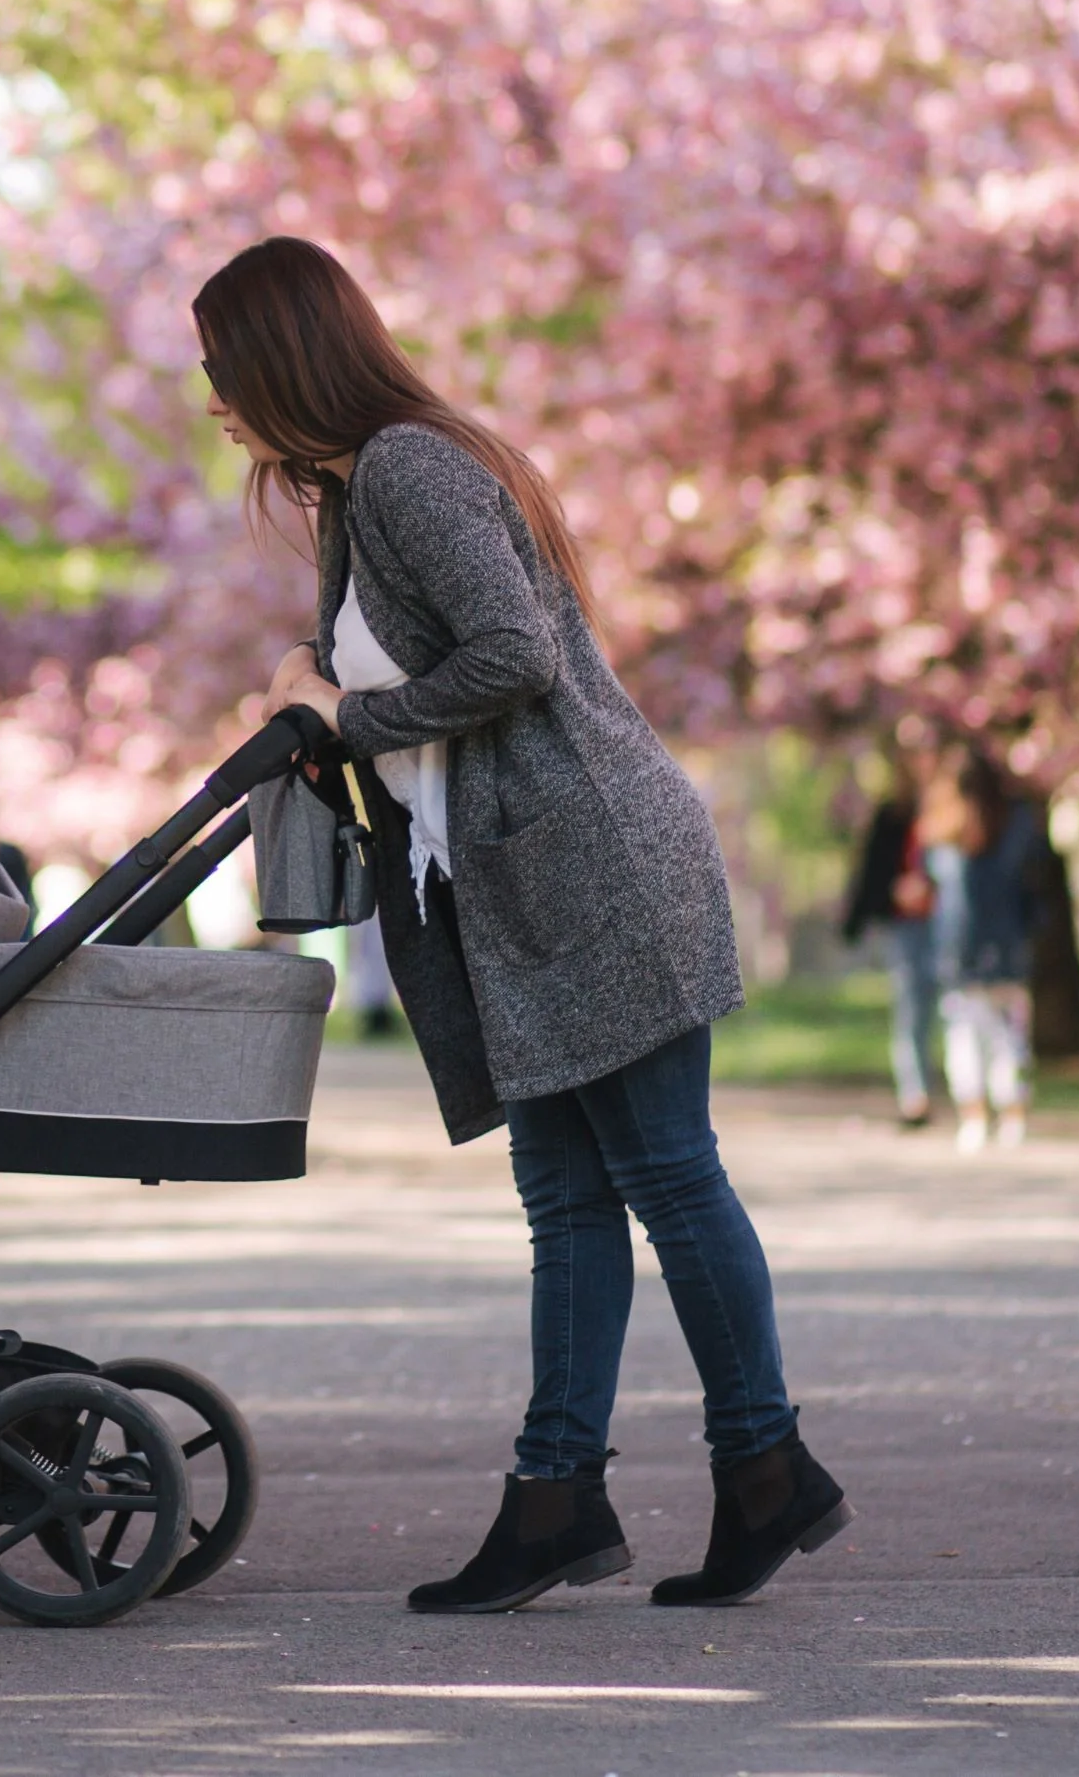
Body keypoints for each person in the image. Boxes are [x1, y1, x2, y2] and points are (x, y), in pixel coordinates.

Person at [194, 237, 849, 1615]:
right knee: (567, 1198)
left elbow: (515, 655)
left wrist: (342, 713)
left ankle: (765, 1463)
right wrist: (319, 698)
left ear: (279, 358)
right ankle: (561, 1497)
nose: (212, 399)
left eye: (220, 366)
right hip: (526, 893)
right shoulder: (359, 495)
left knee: (668, 1173)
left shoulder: (406, 468)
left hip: (596, 867)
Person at [919, 755, 1043, 1152]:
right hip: (1009, 949)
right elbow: (1034, 887)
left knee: (965, 1039)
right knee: (1009, 1038)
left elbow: (929, 883)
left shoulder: (943, 834)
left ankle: (974, 1117)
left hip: (960, 953)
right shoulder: (1019, 825)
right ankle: (1012, 1116)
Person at [837, 775, 943, 1127]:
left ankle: (973, 1094)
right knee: (911, 1011)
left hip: (952, 925)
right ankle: (917, 1097)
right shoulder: (894, 814)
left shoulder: (964, 809)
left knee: (961, 1009)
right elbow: (873, 871)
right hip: (906, 926)